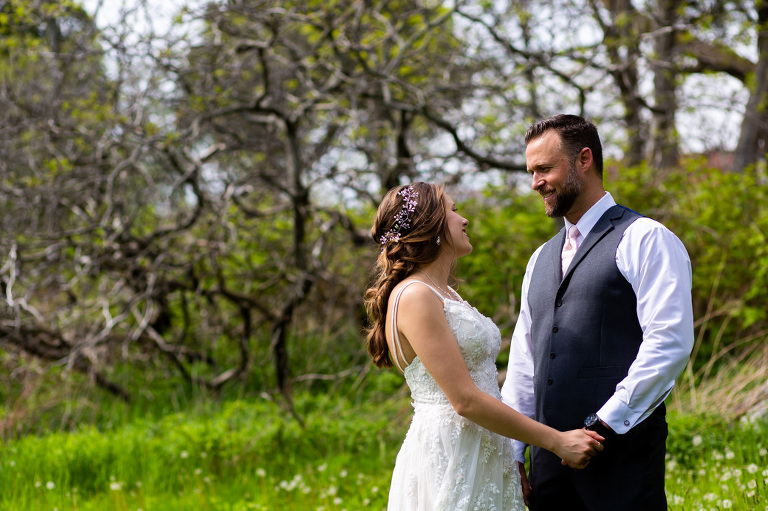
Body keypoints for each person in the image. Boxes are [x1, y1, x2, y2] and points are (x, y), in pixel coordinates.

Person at [364, 181, 604, 510]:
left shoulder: (445, 293)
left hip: (484, 447)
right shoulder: (415, 295)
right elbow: (465, 399)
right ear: (429, 225)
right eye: (452, 210)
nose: (463, 220)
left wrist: (511, 456)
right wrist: (557, 441)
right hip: (453, 454)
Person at [500, 114, 694, 510]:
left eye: (544, 168)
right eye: (531, 171)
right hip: (549, 473)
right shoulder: (538, 260)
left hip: (622, 464)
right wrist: (513, 455)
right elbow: (524, 365)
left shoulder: (646, 238)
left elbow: (669, 343)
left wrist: (602, 425)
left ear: (584, 160)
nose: (535, 182)